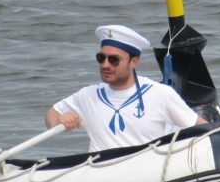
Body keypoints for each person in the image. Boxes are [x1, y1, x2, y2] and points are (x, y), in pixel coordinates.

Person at [45, 24, 206, 151]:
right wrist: (58, 121)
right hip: (98, 178)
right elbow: (52, 113)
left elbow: (200, 126)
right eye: (101, 58)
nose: (105, 64)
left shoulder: (160, 94)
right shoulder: (88, 95)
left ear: (134, 62)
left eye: (114, 60)